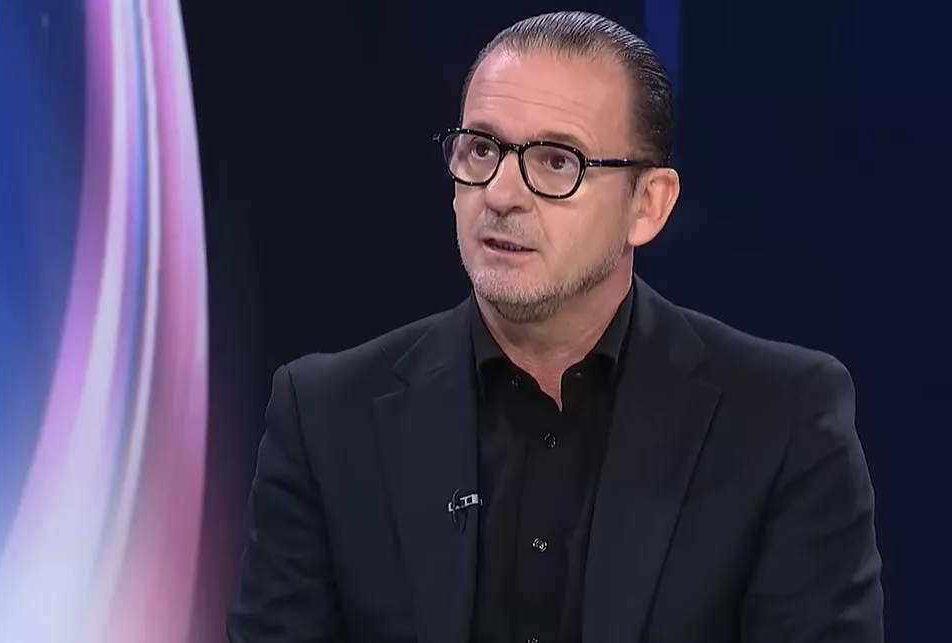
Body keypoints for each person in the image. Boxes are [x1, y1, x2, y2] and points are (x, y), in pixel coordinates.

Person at [226, 10, 883, 643]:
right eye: (481, 149)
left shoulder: (780, 418)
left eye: (556, 161)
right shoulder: (325, 417)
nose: (501, 194)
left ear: (647, 205)